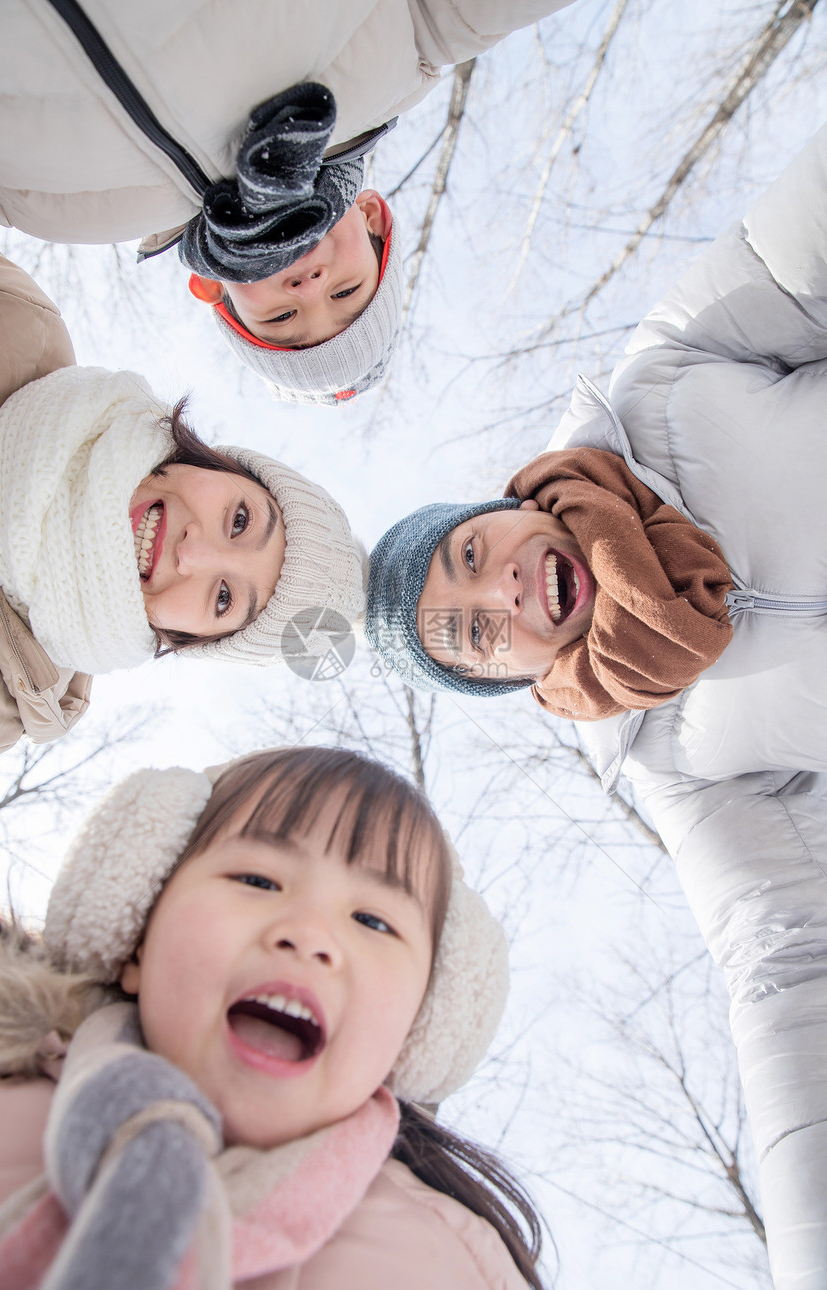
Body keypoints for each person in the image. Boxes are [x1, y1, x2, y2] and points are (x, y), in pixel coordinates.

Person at [366, 124, 827, 1288]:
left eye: (473, 550)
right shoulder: (679, 756)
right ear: (515, 676)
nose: (503, 587)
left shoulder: (666, 379)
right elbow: (784, 977)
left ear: (504, 507)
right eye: (478, 631)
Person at [0, 746, 544, 1290]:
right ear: (135, 937)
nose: (310, 935)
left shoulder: (450, 1263)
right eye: (258, 881)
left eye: (372, 920)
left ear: (419, 1034)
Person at [0, 2, 574, 405]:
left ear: (216, 295)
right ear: (371, 218)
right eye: (344, 293)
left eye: (281, 320)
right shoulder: (405, 42)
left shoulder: (64, 214)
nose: (308, 289)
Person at [0, 222, 363, 772]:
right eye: (241, 520)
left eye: (224, 598)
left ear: (191, 637)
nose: (192, 555)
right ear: (216, 463)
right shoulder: (17, 323)